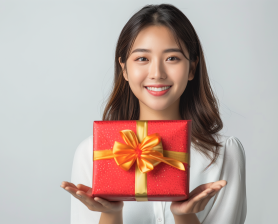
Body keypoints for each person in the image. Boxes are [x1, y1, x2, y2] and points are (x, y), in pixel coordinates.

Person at [61, 3, 246, 224]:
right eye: (142, 59)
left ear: (192, 68)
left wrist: (185, 216)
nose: (157, 73)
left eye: (172, 58)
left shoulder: (225, 154)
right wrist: (110, 213)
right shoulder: (93, 153)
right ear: (124, 70)